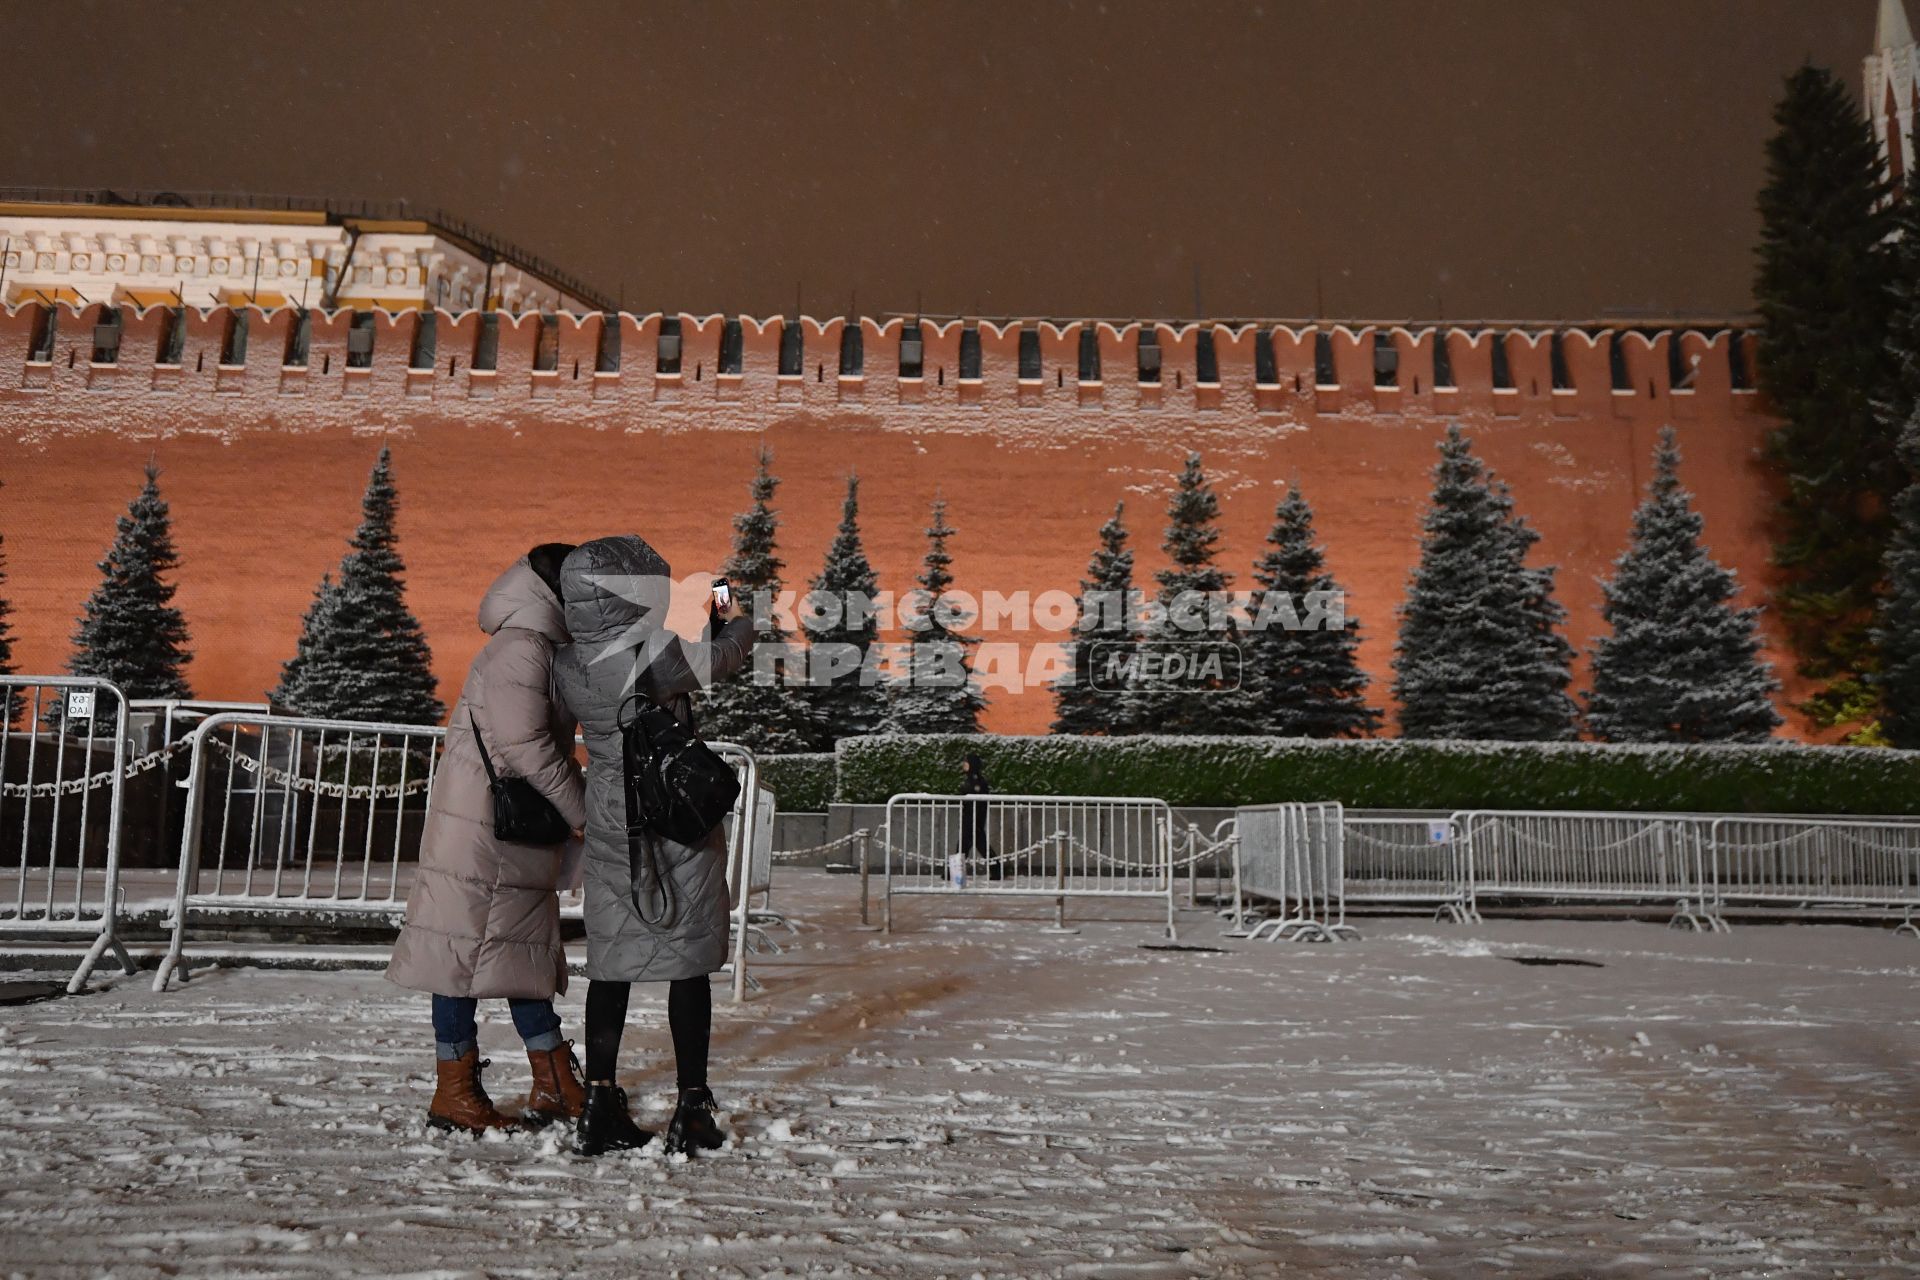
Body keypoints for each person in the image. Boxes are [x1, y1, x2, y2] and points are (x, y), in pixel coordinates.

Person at [551, 534, 755, 1157]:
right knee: (686, 959)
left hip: (612, 809)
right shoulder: (652, 651)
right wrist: (732, 605)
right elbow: (729, 654)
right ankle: (692, 1104)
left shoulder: (567, 661)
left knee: (611, 963)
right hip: (668, 811)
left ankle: (601, 1102)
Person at [387, 543, 588, 1135]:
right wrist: (582, 812)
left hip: (507, 834)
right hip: (484, 836)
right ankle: (456, 1088)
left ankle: (551, 1078)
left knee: (512, 957)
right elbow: (526, 747)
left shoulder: (540, 646)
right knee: (461, 957)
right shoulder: (521, 649)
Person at [959, 753, 998, 881]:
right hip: (971, 819)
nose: (964, 764)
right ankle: (997, 870)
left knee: (965, 846)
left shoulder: (977, 782)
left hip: (973, 819)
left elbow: (977, 801)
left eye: (966, 762)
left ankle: (952, 872)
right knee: (970, 846)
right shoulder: (972, 779)